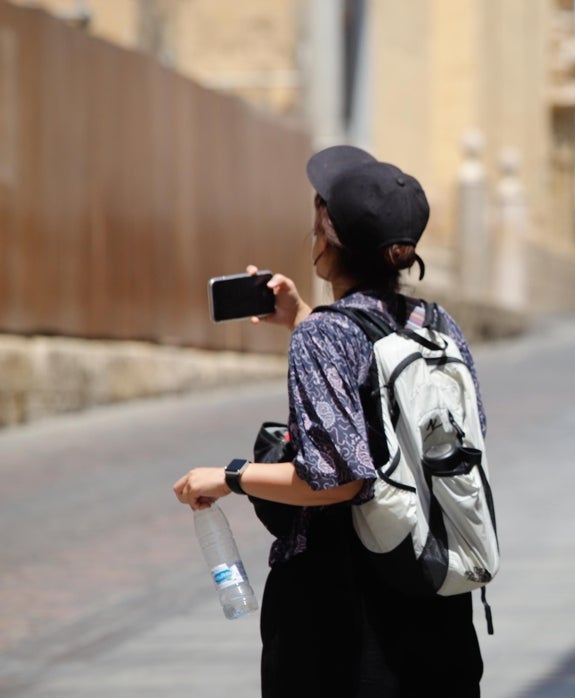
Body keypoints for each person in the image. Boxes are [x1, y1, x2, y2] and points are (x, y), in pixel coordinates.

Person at [173, 145, 484, 697]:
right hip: (435, 590)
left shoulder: (325, 338)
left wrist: (229, 477)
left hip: (344, 616)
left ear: (329, 246)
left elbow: (339, 480)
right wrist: (301, 318)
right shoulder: (438, 326)